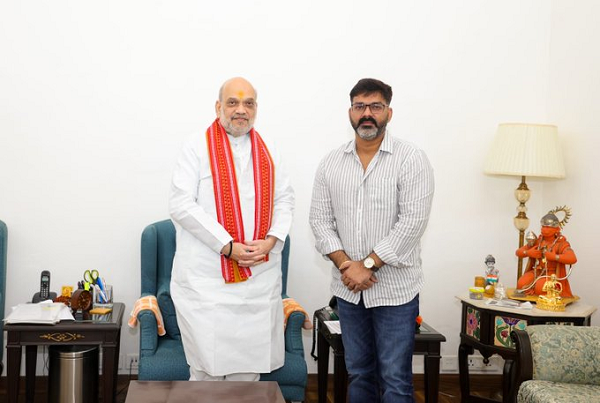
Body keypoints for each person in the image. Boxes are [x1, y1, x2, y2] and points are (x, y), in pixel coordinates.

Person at [309, 78, 434, 402]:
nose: (367, 114)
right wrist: (346, 265)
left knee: (395, 379)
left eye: (375, 106)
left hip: (395, 292)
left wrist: (367, 264)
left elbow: (413, 222)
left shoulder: (411, 158)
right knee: (359, 373)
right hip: (349, 292)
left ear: (388, 113)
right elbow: (320, 221)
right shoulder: (330, 163)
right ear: (350, 112)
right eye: (360, 106)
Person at [169, 77, 294, 381]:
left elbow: (285, 199)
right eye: (233, 102)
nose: (241, 110)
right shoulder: (196, 146)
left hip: (258, 282)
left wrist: (271, 240)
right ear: (218, 107)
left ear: (256, 108)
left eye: (248, 103)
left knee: (248, 377)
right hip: (207, 282)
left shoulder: (269, 149)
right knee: (205, 374)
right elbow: (181, 204)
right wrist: (227, 246)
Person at [516, 212, 576, 297]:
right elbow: (518, 252)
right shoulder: (537, 241)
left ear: (557, 229)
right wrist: (528, 253)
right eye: (543, 226)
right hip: (537, 271)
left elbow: (573, 258)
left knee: (541, 288)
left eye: (547, 227)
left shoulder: (561, 243)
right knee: (521, 284)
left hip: (552, 274)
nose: (543, 229)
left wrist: (554, 257)